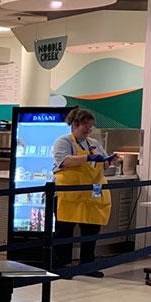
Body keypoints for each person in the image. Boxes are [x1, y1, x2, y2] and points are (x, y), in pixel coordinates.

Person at [51, 108, 115, 277]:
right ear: (75, 124)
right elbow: (64, 161)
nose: (88, 129)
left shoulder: (93, 143)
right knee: (65, 231)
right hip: (68, 195)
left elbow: (104, 162)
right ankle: (61, 266)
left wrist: (108, 161)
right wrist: (87, 157)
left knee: (91, 229)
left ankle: (87, 265)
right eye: (85, 125)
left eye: (90, 126)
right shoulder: (63, 141)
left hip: (91, 194)